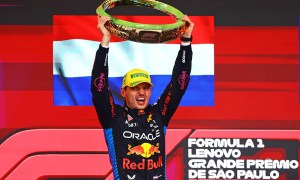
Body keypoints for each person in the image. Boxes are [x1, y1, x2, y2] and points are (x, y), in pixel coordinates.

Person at [91, 15, 194, 180]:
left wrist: (186, 41)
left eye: (146, 88)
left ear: (150, 92)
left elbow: (179, 83)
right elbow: (99, 88)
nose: (141, 93)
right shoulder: (113, 117)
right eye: (135, 88)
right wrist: (105, 42)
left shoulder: (160, 114)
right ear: (124, 92)